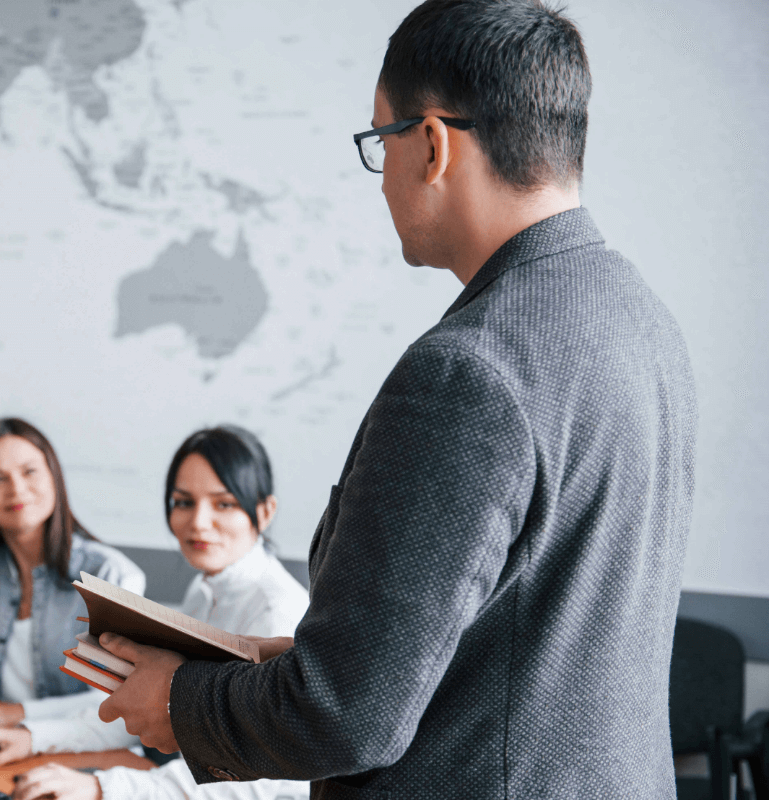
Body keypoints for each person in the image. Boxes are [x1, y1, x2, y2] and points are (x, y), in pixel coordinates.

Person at [97, 2, 698, 797]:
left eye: (380, 141)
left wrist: (181, 701)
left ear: (434, 144)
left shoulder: (468, 373)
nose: (380, 178)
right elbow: (531, 630)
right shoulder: (645, 321)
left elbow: (345, 717)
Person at [0, 426, 310, 800]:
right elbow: (145, 703)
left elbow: (255, 776)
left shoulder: (277, 610)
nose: (198, 522)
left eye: (223, 503)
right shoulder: (203, 590)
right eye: (183, 502)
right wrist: (36, 738)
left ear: (265, 511)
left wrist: (103, 787)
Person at [0, 418, 146, 733]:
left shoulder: (112, 574)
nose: (16, 490)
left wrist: (9, 714)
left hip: (77, 759)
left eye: (29, 472)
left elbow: (112, 701)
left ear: (54, 477)